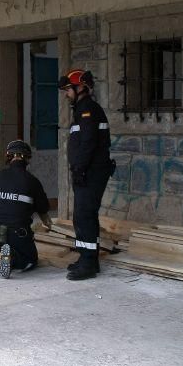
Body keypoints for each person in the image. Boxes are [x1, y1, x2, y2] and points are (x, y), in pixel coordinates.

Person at [58, 68, 114, 281]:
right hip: (89, 171)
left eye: (68, 89)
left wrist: (80, 168)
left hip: (91, 172)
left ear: (80, 87)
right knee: (83, 216)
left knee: (85, 216)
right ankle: (86, 257)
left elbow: (88, 142)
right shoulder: (83, 109)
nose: (66, 94)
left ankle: (89, 263)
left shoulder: (87, 109)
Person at [0, 140, 52, 279]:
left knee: (3, 238)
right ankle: (12, 258)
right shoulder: (32, 181)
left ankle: (2, 248)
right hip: (17, 233)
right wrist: (46, 221)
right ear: (27, 158)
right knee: (31, 260)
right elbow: (43, 207)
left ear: (8, 156)